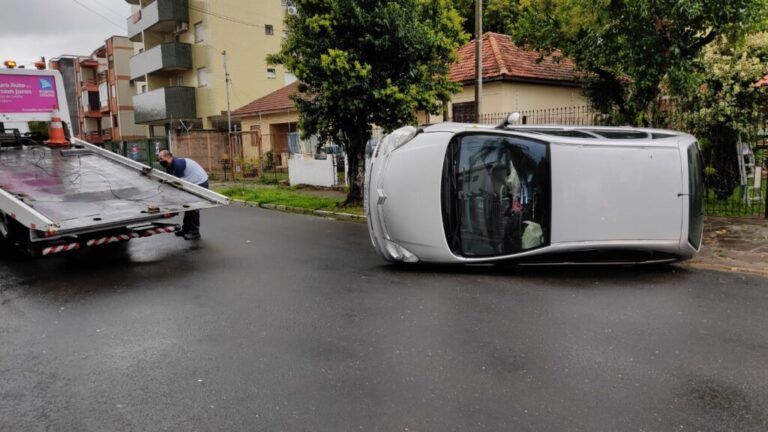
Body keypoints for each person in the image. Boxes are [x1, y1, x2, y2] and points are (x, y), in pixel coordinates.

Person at [158, 150, 209, 240]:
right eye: (159, 159)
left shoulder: (178, 165)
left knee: (193, 207)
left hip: (200, 183)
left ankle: (194, 232)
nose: (160, 161)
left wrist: (171, 203)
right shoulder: (170, 165)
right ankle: (186, 229)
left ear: (168, 157)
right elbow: (169, 180)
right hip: (193, 183)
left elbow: (178, 185)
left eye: (161, 159)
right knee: (188, 207)